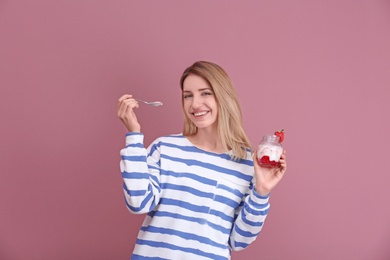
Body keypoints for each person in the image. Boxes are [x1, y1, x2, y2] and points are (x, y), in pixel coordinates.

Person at [117, 61, 287, 260]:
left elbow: (239, 241)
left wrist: (262, 192)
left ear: (223, 96)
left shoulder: (248, 163)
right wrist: (134, 136)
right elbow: (138, 203)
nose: (195, 104)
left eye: (205, 93)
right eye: (187, 95)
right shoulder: (165, 148)